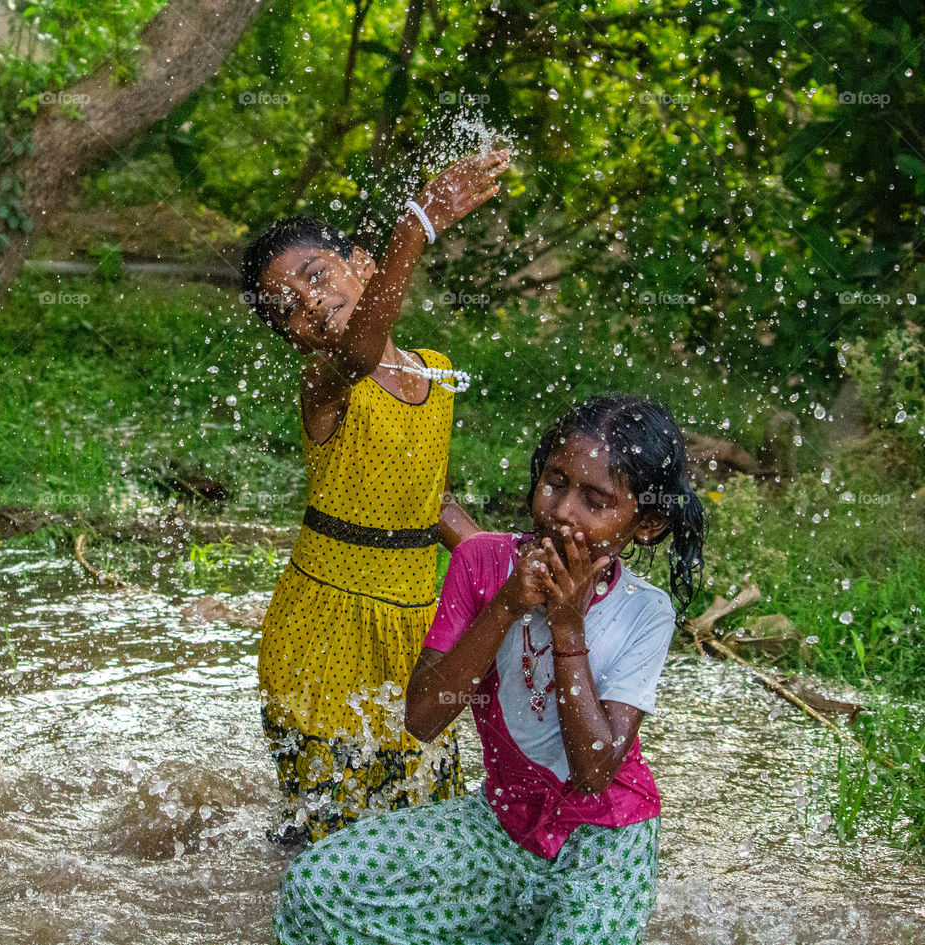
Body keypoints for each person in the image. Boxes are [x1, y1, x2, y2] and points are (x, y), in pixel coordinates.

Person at [275, 393, 707, 945]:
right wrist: (505, 605)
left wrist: (568, 627)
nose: (563, 512)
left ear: (644, 523)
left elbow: (595, 771)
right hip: (500, 826)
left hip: (606, 841)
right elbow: (424, 718)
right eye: (554, 483)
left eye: (595, 501)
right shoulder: (481, 563)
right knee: (315, 887)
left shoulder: (646, 612)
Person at [240, 149, 511, 844]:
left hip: (414, 633)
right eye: (287, 308)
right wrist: (416, 225)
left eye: (316, 275)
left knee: (425, 817)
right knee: (328, 835)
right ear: (292, 342)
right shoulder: (325, 385)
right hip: (323, 639)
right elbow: (359, 353)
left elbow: (432, 499)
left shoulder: (438, 376)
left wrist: (508, 564)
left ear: (362, 264)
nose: (309, 303)